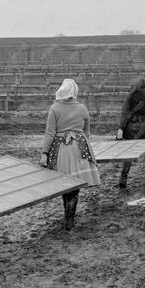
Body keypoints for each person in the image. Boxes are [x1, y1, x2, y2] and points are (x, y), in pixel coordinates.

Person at [40, 79, 100, 230]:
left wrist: (44, 153)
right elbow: (87, 132)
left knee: (65, 182)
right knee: (75, 184)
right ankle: (70, 219)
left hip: (60, 149)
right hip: (79, 149)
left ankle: (67, 215)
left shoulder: (54, 108)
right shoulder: (82, 108)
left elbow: (50, 133)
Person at [117, 76, 145, 189]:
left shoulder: (130, 96)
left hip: (133, 127)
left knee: (130, 152)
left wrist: (121, 129)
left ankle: (123, 179)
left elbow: (125, 114)